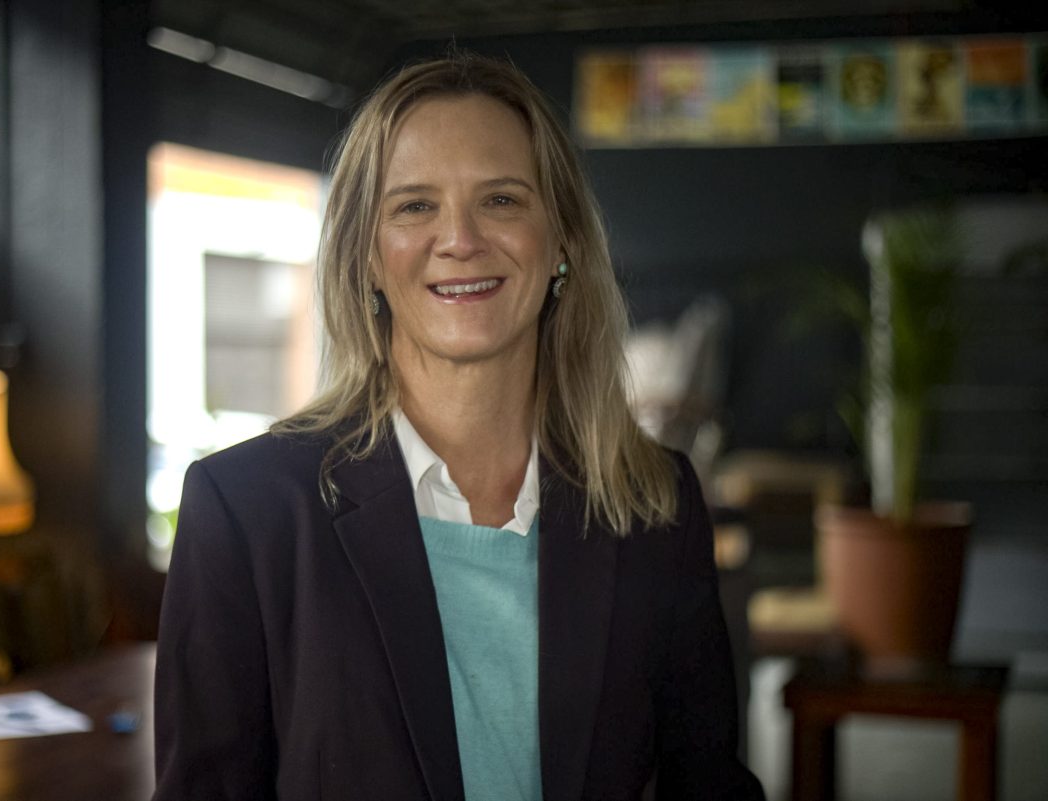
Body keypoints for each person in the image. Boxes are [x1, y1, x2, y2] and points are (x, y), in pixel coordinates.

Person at [152, 53, 764, 801]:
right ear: (367, 255)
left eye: (502, 200)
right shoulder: (245, 510)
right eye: (414, 205)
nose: (461, 238)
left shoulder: (654, 502)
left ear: (563, 240)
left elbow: (707, 784)